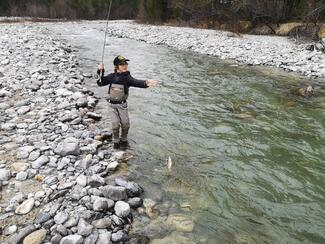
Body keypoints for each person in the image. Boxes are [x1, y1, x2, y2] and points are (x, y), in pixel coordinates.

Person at [96, 55, 158, 149]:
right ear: (116, 66)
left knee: (125, 124)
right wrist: (100, 70)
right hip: (111, 106)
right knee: (115, 124)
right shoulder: (111, 77)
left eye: (126, 63)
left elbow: (136, 82)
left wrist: (146, 82)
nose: (125, 65)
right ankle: (116, 141)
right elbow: (100, 82)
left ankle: (124, 139)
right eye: (122, 64)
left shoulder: (127, 77)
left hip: (122, 106)